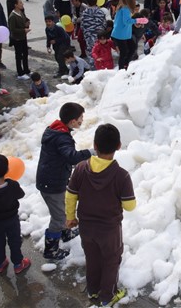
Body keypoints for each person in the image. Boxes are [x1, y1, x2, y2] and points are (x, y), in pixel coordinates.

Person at [65, 123, 135, 306]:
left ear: (95, 145)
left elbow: (71, 194)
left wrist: (70, 216)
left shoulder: (80, 168)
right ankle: (108, 296)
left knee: (92, 258)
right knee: (111, 260)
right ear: (119, 146)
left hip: (87, 227)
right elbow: (130, 206)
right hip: (110, 230)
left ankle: (93, 291)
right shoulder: (122, 176)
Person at [36, 102, 93, 260]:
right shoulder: (61, 137)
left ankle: (65, 233)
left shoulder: (56, 130)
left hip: (53, 178)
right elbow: (71, 156)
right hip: (51, 183)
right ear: (73, 121)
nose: (82, 120)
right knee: (59, 217)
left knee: (64, 206)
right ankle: (51, 249)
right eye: (80, 118)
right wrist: (90, 152)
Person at [112, 0, 147, 70]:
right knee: (125, 52)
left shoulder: (122, 7)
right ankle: (122, 69)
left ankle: (125, 65)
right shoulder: (125, 8)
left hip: (123, 33)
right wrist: (138, 20)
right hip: (120, 34)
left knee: (132, 48)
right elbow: (126, 21)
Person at [8, 0, 31, 80]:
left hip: (23, 37)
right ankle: (20, 72)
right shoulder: (13, 16)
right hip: (17, 38)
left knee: (25, 53)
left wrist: (26, 23)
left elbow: (24, 21)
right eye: (20, 3)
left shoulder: (20, 12)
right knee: (18, 55)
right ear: (15, 5)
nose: (22, 4)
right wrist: (23, 30)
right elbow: (12, 29)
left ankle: (26, 70)